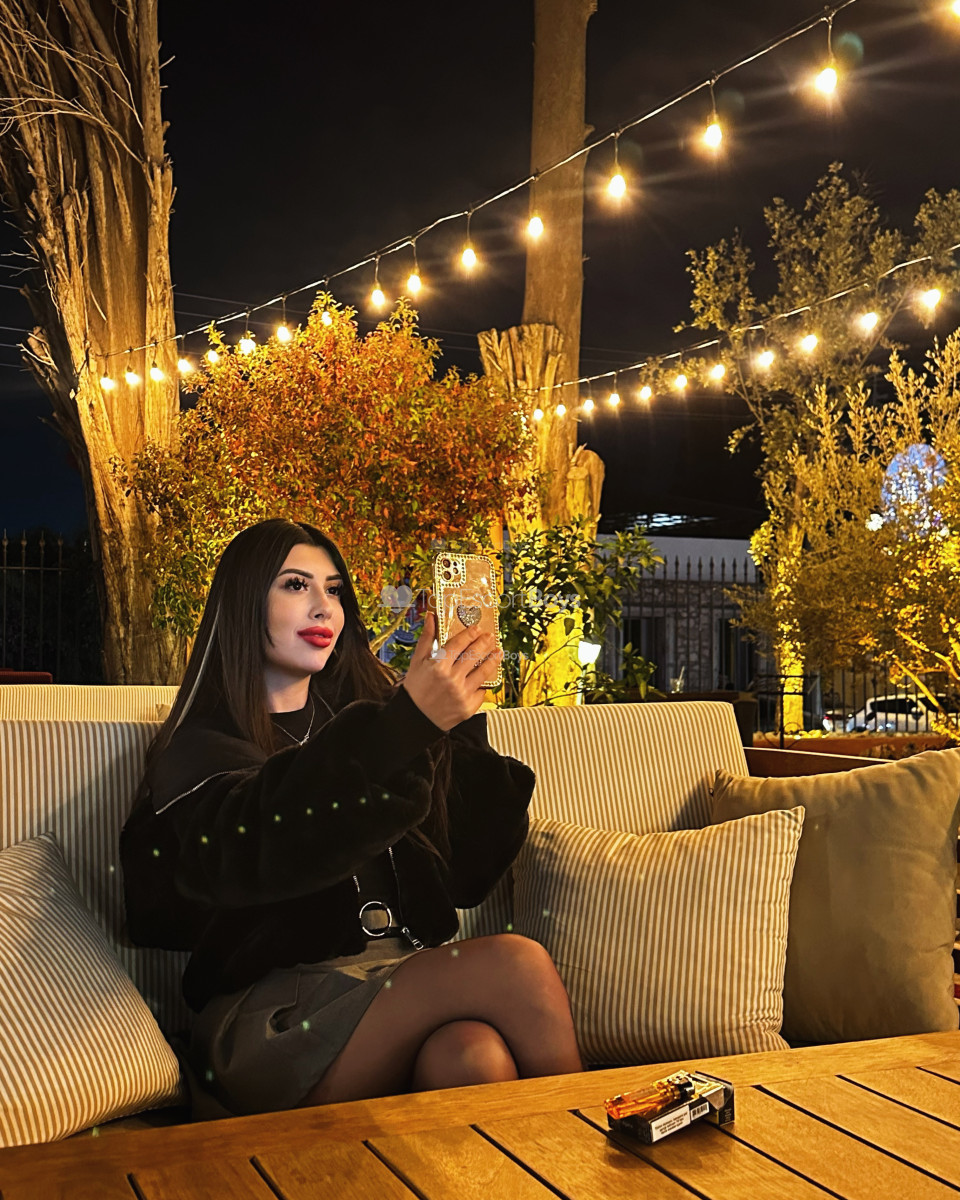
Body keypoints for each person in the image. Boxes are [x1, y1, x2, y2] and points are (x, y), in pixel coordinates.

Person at [121, 518, 582, 1117]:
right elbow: (254, 847)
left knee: (471, 1057)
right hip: (275, 1014)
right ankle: (599, 1151)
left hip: (390, 981)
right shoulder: (200, 747)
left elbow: (466, 875)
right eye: (296, 585)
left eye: (335, 590)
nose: (324, 606)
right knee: (517, 965)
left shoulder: (371, 723)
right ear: (243, 602)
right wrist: (405, 725)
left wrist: (456, 718)